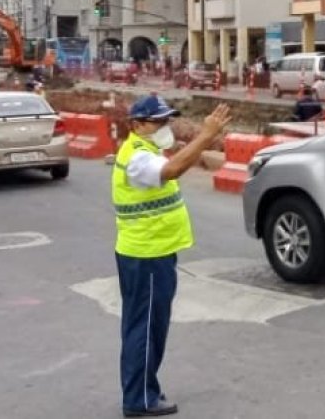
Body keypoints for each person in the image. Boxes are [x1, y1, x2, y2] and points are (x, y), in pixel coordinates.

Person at [113, 94, 231, 417]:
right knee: (147, 328)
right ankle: (140, 399)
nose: (165, 127)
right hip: (147, 254)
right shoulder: (138, 157)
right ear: (137, 125)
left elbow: (173, 164)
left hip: (150, 252)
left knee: (142, 325)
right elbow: (174, 169)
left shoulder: (146, 151)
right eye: (158, 121)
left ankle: (141, 391)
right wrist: (206, 136)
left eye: (167, 120)